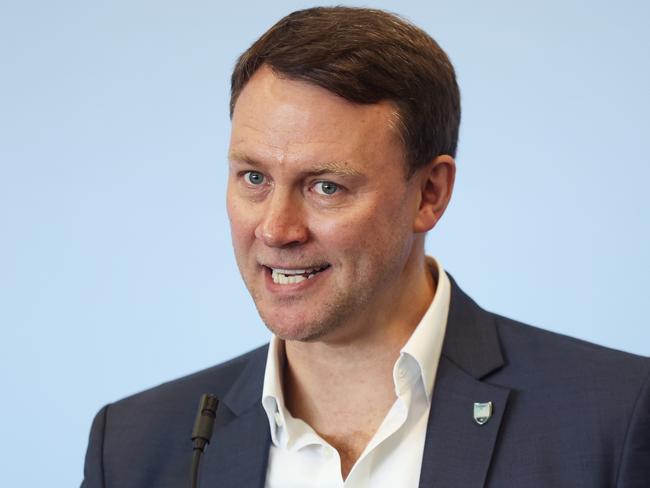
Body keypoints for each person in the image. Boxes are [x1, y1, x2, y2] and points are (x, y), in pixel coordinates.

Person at [81, 6, 649, 487]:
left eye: (325, 186)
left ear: (430, 193)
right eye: (253, 178)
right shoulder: (134, 449)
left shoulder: (614, 420)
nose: (277, 229)